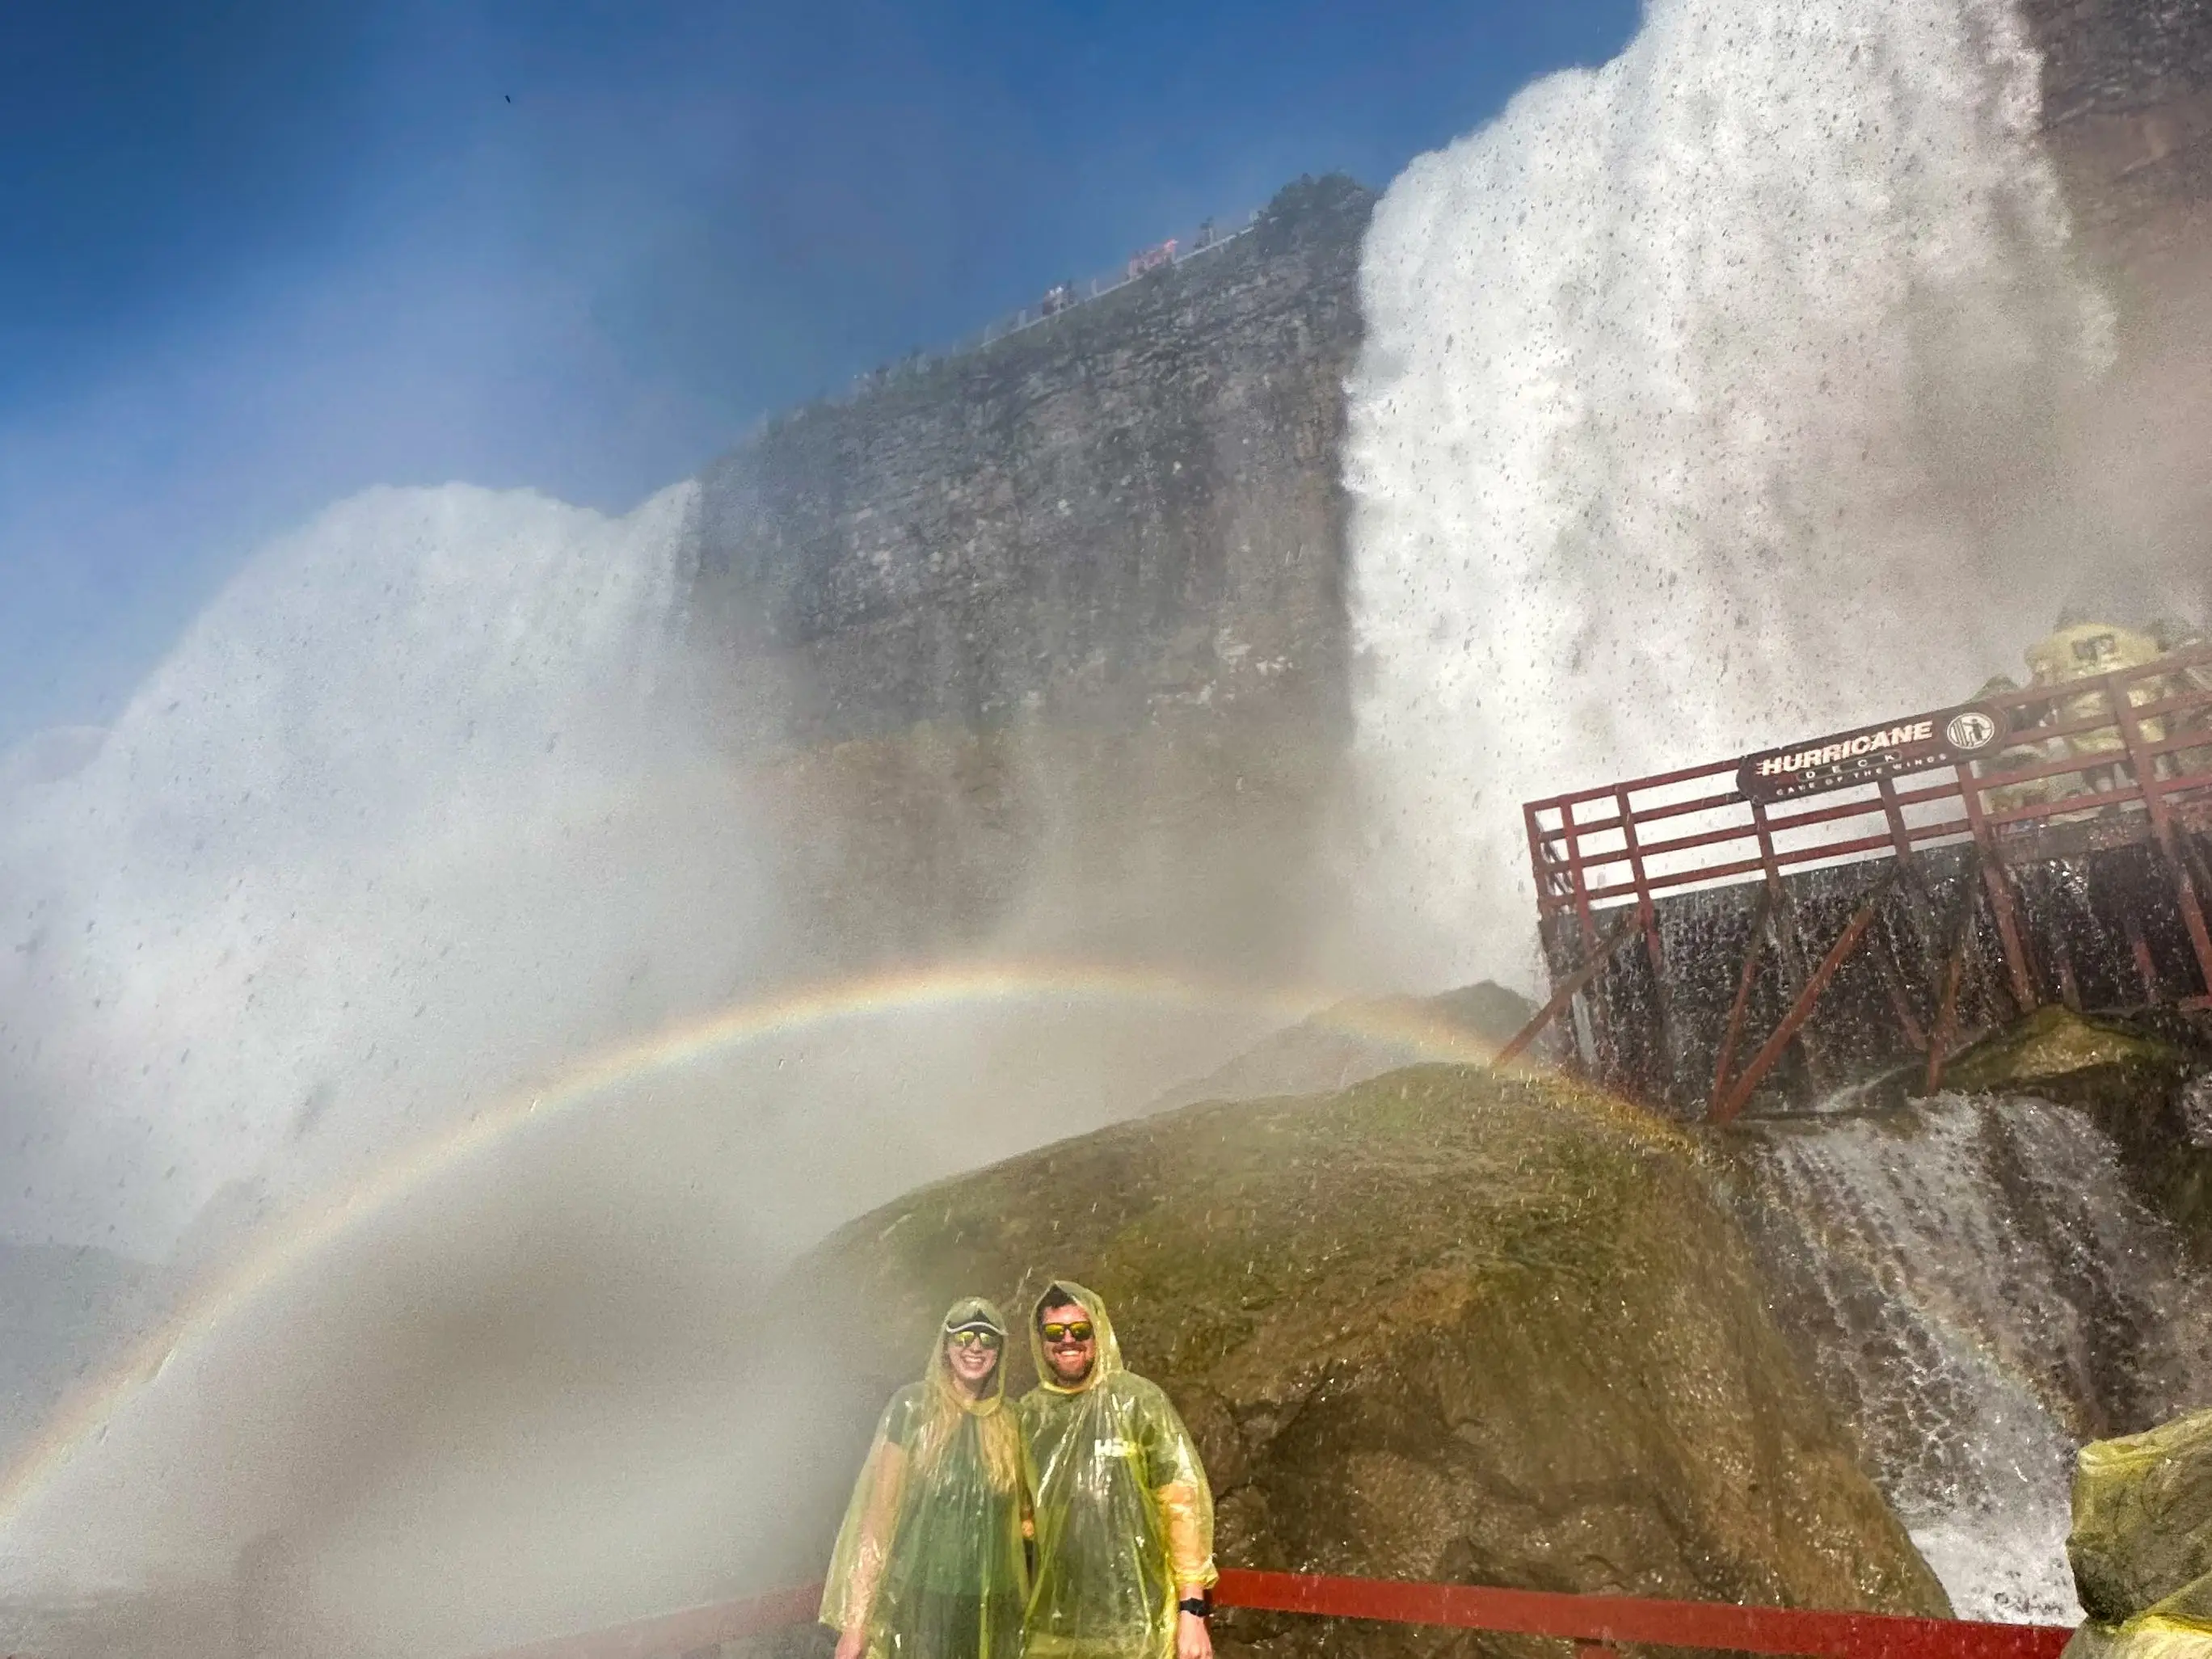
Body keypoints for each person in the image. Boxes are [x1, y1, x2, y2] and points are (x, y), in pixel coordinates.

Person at [822, 1299, 1034, 1659]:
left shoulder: (1013, 1419)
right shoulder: (914, 1408)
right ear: (946, 1345)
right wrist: (857, 1622)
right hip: (922, 1598)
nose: (975, 1347)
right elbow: (879, 1517)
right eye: (964, 1336)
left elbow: (1028, 1518)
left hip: (997, 1601)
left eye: (987, 1338)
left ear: (1000, 1350)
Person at [1018, 1282, 1216, 1659]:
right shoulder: (1029, 1416)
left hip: (1135, 1623)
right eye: (1054, 1332)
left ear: (1098, 1334)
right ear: (1040, 1341)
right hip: (1052, 1625)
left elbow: (1182, 1507)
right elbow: (1020, 1516)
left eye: (1079, 1330)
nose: (1067, 1341)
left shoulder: (1138, 1401)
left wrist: (1192, 1612)